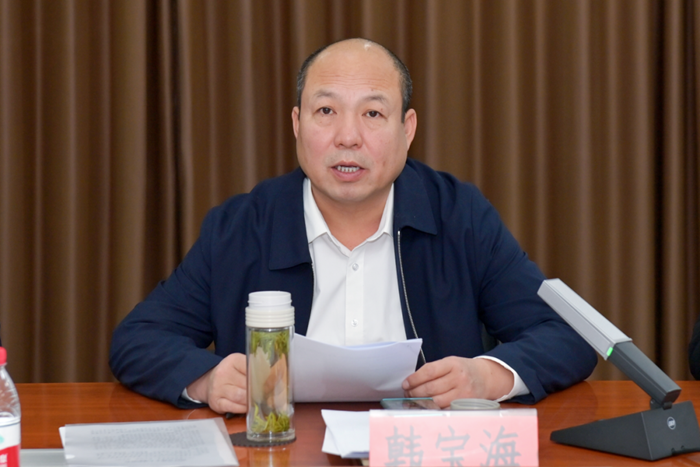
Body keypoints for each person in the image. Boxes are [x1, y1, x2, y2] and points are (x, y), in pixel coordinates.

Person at [109, 38, 597, 414]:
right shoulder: (242, 226)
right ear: (297, 124)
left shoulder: (458, 215)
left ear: (407, 129)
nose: (348, 137)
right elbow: (139, 339)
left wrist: (487, 377)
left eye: (373, 113)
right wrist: (207, 379)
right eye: (326, 111)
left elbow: (569, 334)